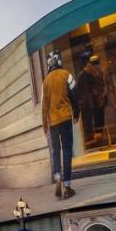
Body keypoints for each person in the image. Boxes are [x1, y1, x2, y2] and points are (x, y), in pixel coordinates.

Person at [41, 50, 78, 199]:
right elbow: (75, 95)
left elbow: (44, 105)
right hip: (66, 118)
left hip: (53, 121)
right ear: (59, 62)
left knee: (56, 151)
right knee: (67, 151)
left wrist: (45, 125)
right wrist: (77, 113)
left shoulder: (45, 81)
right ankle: (67, 187)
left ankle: (57, 177)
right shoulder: (66, 75)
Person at [76, 54, 108, 145]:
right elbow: (83, 91)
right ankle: (94, 143)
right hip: (91, 105)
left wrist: (103, 97)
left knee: (99, 123)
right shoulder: (85, 74)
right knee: (93, 125)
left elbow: (103, 86)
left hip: (98, 102)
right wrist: (89, 103)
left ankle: (99, 140)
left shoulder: (99, 72)